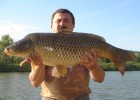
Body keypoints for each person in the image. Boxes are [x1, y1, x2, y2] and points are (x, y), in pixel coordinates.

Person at [29, 8, 105, 100]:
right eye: (58, 21)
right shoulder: (42, 46)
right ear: (51, 25)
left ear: (73, 25)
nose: (62, 24)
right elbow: (35, 83)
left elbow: (100, 79)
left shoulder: (85, 44)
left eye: (66, 20)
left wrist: (93, 66)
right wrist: (39, 65)